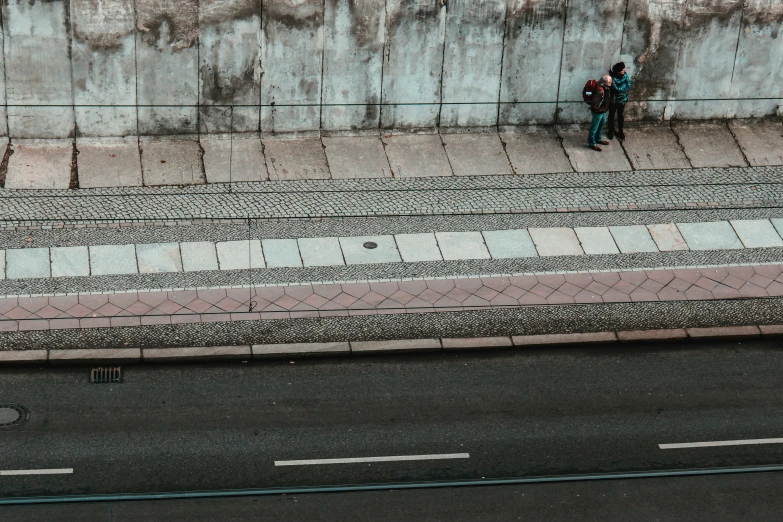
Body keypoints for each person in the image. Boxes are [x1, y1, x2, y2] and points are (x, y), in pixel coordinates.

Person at [588, 75, 612, 152]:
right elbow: (594, 105)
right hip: (598, 112)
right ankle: (592, 143)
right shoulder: (599, 90)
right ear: (605, 82)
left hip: (602, 111)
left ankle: (598, 139)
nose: (611, 83)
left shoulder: (605, 88)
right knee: (594, 128)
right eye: (609, 82)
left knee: (602, 123)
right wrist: (600, 110)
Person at [608, 62, 631, 140]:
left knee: (620, 116)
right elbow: (617, 90)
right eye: (622, 69)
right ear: (618, 71)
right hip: (614, 101)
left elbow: (629, 85)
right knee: (611, 116)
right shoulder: (612, 78)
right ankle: (610, 131)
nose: (624, 70)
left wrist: (622, 87)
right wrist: (624, 87)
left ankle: (620, 131)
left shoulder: (625, 75)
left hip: (622, 101)